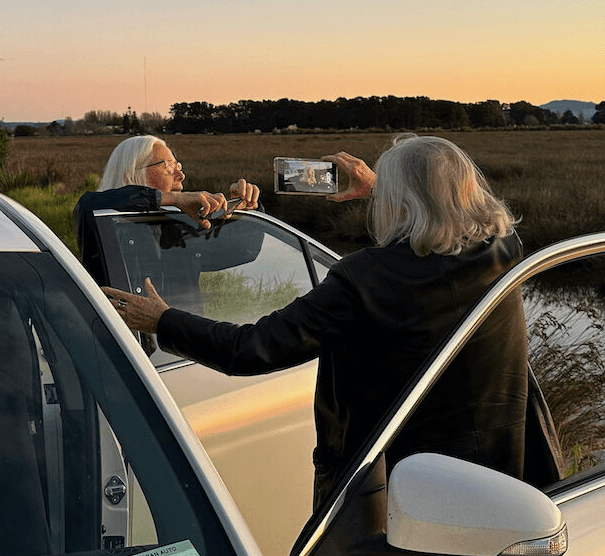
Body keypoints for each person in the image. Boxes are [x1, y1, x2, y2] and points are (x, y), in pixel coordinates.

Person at [103, 134, 529, 508]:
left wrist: (163, 321)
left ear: (404, 200)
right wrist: (384, 189)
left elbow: (251, 348)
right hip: (499, 477)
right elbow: (444, 212)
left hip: (387, 484)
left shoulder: (363, 279)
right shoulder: (503, 252)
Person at [73, 135, 261, 286]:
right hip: (118, 324)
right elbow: (88, 205)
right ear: (132, 173)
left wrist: (245, 210)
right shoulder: (105, 220)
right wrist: (170, 198)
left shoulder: (181, 227)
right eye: (169, 167)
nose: (181, 175)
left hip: (175, 324)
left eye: (178, 166)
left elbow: (244, 249)